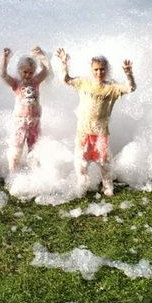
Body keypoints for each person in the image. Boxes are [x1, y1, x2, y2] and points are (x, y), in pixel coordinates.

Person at [55, 47, 136, 196]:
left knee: (103, 161)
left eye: (102, 69)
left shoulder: (111, 87)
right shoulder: (83, 83)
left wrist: (128, 74)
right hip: (83, 130)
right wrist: (64, 63)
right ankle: (82, 186)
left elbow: (131, 88)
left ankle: (108, 186)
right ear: (91, 70)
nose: (99, 73)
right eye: (96, 69)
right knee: (81, 161)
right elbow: (66, 80)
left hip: (100, 131)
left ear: (107, 70)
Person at [0, 46, 51, 174]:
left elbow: (46, 70)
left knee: (34, 149)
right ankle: (13, 175)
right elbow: (3, 75)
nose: (28, 75)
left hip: (35, 121)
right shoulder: (17, 84)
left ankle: (35, 174)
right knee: (16, 149)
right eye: (25, 72)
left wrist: (41, 56)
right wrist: (5, 59)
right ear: (20, 70)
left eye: (30, 72)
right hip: (20, 121)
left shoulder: (35, 82)